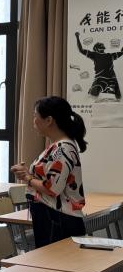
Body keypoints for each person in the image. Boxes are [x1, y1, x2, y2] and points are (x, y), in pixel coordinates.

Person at [11, 96, 88, 248]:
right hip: (53, 217)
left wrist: (27, 177)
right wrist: (28, 174)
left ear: (49, 120)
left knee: (54, 262)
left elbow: (52, 188)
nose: (33, 121)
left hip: (57, 219)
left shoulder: (62, 148)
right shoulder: (58, 146)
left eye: (36, 116)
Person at [76, 31, 123, 100]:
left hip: (105, 79)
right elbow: (81, 50)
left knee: (94, 94)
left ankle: (108, 92)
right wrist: (77, 37)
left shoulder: (106, 55)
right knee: (93, 94)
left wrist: (77, 37)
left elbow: (81, 50)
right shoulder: (106, 55)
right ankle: (107, 92)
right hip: (107, 79)